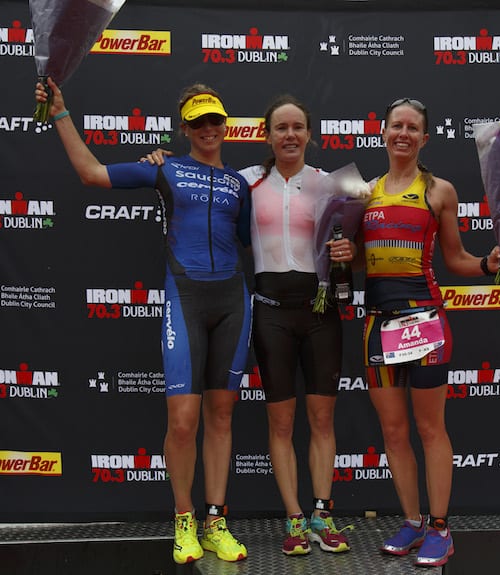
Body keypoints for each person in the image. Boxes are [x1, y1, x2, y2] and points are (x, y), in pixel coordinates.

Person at [35, 78, 252, 564]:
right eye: (198, 122)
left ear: (226, 125)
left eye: (215, 120)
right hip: (186, 298)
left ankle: (216, 521)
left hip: (234, 301)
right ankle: (184, 521)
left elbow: (255, 239)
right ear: (185, 128)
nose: (208, 129)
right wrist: (62, 113)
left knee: (221, 416)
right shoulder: (165, 170)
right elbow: (91, 173)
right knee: (183, 420)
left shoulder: (241, 184)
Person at [144, 94, 354, 556]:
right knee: (280, 421)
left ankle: (322, 512)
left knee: (321, 417)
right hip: (269, 310)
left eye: (298, 127)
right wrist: (159, 159)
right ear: (267, 135)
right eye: (281, 128)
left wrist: (347, 254)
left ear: (310, 134)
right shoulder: (242, 182)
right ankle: (295, 521)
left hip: (320, 311)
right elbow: (196, 193)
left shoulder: (329, 185)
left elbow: (349, 241)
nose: (290, 135)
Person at [354, 97, 500, 567]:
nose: (403, 134)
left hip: (426, 323)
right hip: (377, 326)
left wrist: (490, 264)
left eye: (412, 128)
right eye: (396, 126)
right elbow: (355, 261)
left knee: (430, 428)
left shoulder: (439, 191)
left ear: (424, 138)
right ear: (382, 133)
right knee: (392, 430)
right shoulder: (364, 193)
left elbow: (457, 259)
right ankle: (412, 521)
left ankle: (441, 529)